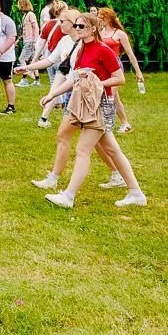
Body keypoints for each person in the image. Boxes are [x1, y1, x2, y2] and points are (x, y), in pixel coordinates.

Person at [37, 11, 147, 208]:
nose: (77, 29)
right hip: (87, 104)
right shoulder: (81, 49)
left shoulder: (103, 50)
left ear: (93, 28)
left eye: (82, 26)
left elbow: (119, 78)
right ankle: (136, 193)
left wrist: (96, 83)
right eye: (76, 25)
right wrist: (53, 94)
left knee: (82, 150)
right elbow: (75, 78)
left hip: (100, 104)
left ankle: (68, 196)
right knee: (113, 150)